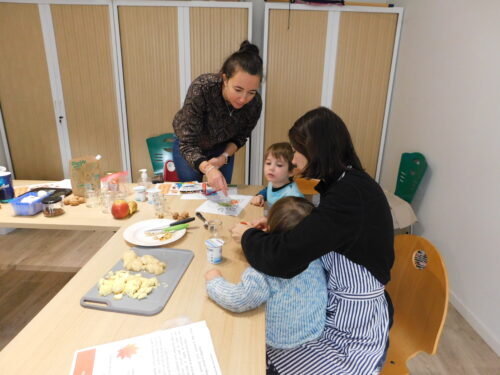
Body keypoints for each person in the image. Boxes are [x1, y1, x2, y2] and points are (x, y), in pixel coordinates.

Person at [230, 107, 394, 375]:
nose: (293, 158)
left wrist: (248, 236)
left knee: (263, 358)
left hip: (353, 326)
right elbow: (319, 231)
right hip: (331, 307)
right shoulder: (344, 182)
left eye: (296, 150)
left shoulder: (350, 194)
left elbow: (283, 260)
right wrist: (274, 228)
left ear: (316, 149)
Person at [205, 196, 327, 352]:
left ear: (269, 226)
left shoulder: (265, 269)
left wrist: (214, 281)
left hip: (281, 342)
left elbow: (239, 299)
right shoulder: (313, 251)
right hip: (314, 328)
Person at [172, 40, 263, 195]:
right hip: (190, 145)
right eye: (238, 89)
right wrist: (207, 168)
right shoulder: (203, 88)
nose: (243, 99)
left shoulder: (254, 103)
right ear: (225, 79)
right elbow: (187, 143)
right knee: (190, 193)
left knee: (220, 194)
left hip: (222, 147)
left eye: (251, 92)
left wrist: (223, 157)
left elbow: (241, 137)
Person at [251, 142, 304, 208]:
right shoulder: (274, 182)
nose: (271, 168)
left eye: (279, 165)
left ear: (291, 172)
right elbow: (268, 190)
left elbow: (293, 217)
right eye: (268, 163)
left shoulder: (293, 196)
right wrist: (261, 196)